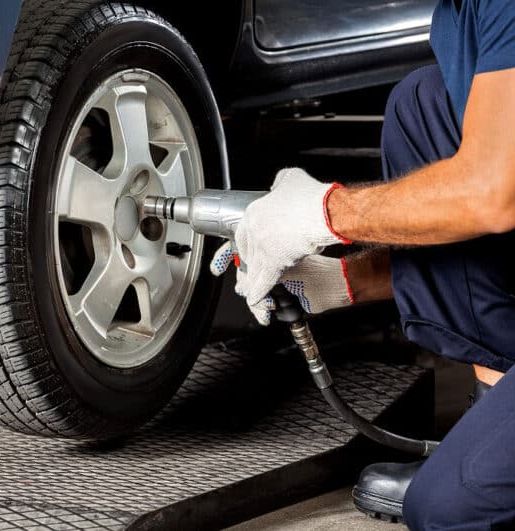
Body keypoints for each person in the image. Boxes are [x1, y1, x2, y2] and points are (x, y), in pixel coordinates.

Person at [211, 0, 515, 527]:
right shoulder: (462, 16)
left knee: (449, 509)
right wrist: (343, 281)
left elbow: (492, 194)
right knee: (423, 105)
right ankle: (493, 411)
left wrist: (323, 212)